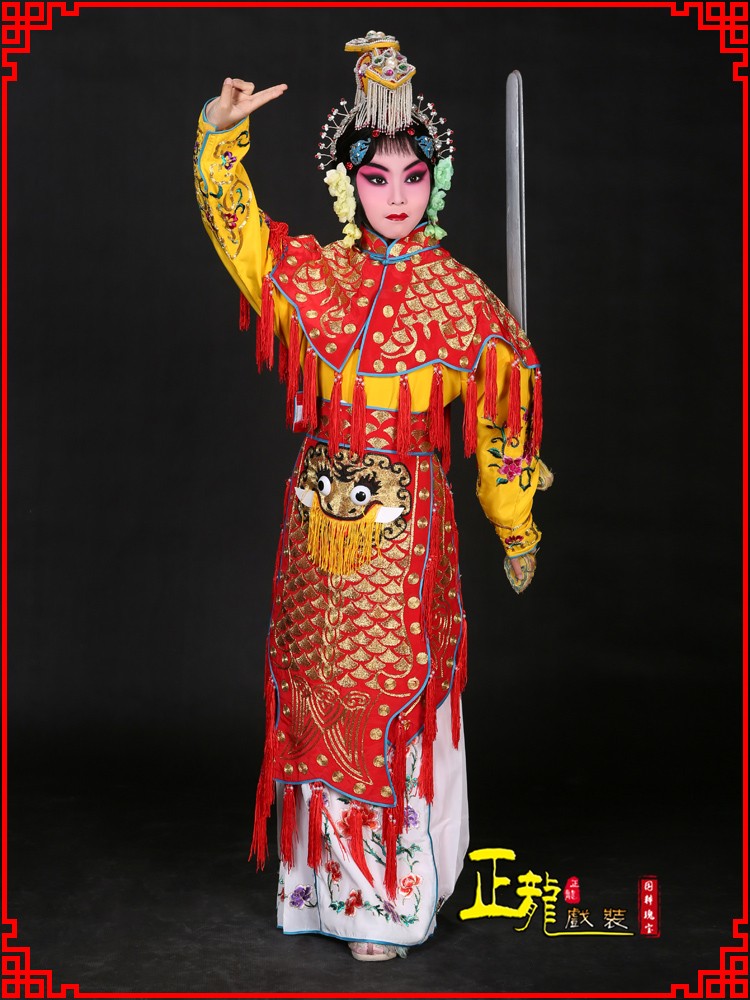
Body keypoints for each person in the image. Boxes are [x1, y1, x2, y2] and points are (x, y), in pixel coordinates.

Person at [193, 30, 550, 961]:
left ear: (437, 183)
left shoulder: (463, 300)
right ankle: (317, 890)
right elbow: (243, 240)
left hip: (406, 534)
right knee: (314, 692)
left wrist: (515, 525)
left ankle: (387, 903)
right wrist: (218, 139)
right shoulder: (318, 274)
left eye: (412, 177)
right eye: (377, 177)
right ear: (347, 183)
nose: (396, 196)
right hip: (317, 524)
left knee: (385, 695)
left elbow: (503, 426)